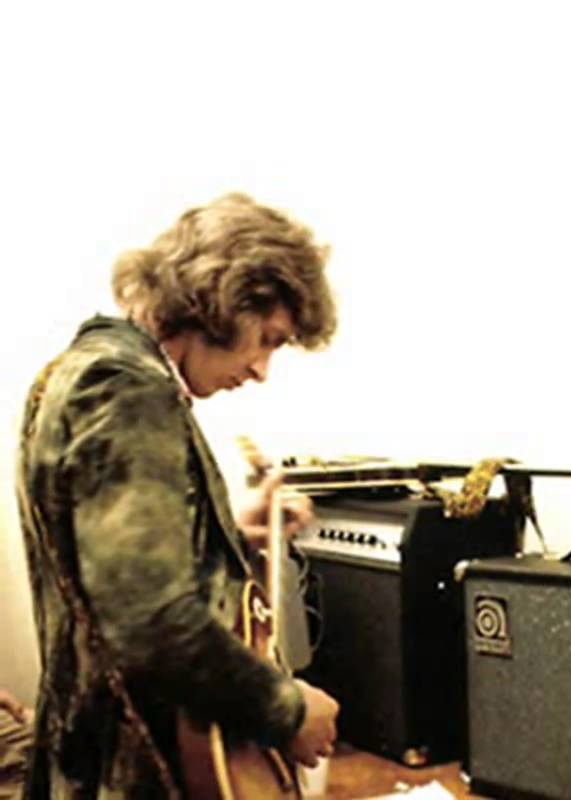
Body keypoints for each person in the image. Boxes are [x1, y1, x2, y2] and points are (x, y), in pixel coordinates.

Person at [16, 192, 342, 798]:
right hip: (133, 775)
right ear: (223, 299)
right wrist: (287, 709)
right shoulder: (125, 387)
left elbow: (106, 572)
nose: (261, 369)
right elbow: (150, 619)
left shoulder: (86, 368)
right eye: (267, 338)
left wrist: (224, 534)